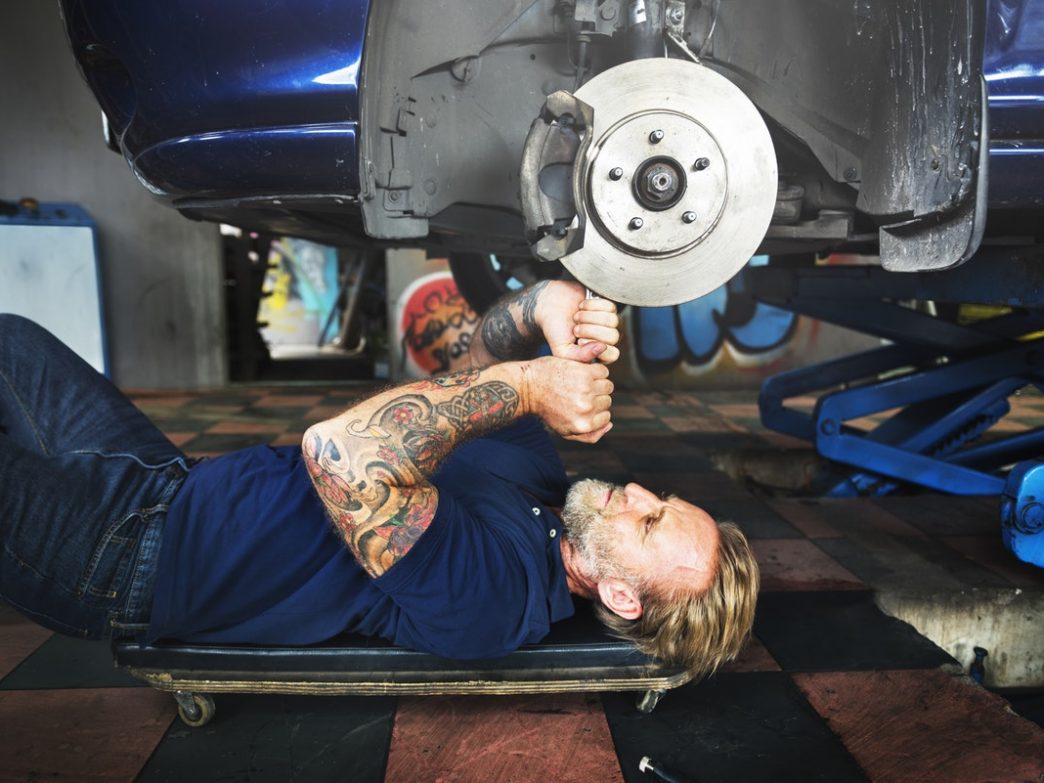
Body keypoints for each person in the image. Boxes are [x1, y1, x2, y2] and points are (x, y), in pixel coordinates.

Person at [0, 280, 758, 677]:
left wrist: (530, 386)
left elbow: (336, 454)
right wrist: (538, 308)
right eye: (663, 498)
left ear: (620, 595)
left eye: (648, 521)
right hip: (166, 480)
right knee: (12, 341)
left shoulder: (498, 598)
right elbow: (473, 366)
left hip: (126, 557)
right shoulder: (539, 482)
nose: (638, 493)